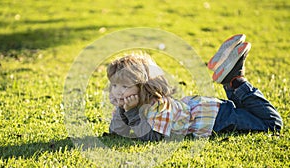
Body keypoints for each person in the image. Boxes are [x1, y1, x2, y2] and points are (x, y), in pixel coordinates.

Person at [106, 34, 283, 142]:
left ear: (142, 86)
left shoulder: (158, 106)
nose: (118, 91)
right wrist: (124, 110)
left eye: (124, 86)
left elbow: (152, 137)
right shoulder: (130, 104)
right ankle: (233, 79)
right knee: (249, 112)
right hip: (208, 110)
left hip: (216, 119)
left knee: (272, 124)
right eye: (114, 85)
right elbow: (116, 132)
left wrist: (131, 113)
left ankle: (237, 81)